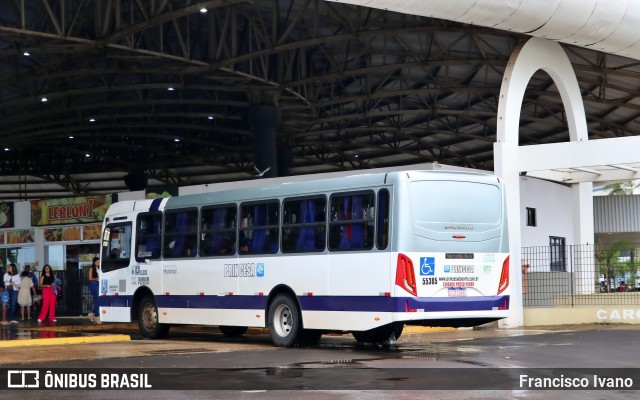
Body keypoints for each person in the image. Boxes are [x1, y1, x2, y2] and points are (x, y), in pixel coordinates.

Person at [87, 257, 101, 323]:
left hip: (98, 283)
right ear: (94, 262)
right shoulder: (92, 268)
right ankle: (95, 314)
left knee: (97, 299)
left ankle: (93, 314)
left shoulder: (99, 268)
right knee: (98, 298)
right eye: (97, 262)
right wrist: (97, 278)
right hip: (93, 284)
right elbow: (90, 278)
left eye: (99, 262)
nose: (98, 263)